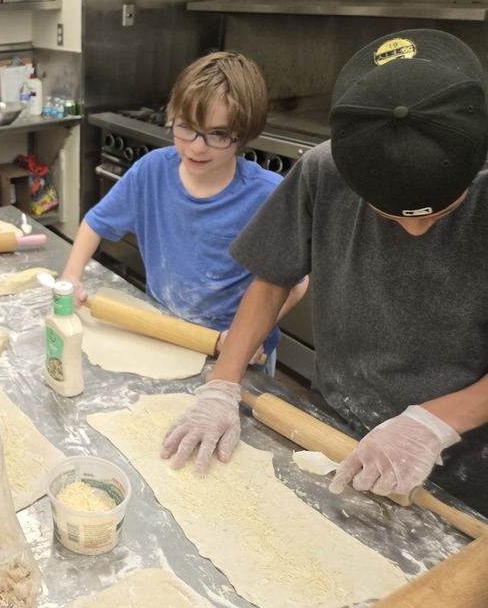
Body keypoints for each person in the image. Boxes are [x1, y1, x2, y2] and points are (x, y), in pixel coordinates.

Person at [161, 29, 488, 518]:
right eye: (391, 213)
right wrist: (223, 386)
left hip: (463, 467)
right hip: (332, 425)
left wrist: (431, 424)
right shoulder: (325, 172)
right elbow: (272, 280)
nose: (416, 229)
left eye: (438, 212)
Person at [60, 51, 308, 376]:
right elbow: (96, 222)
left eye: (217, 134)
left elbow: (297, 283)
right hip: (166, 332)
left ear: (243, 133)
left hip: (236, 351)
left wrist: (247, 337)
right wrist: (71, 275)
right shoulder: (151, 171)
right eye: (186, 127)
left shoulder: (267, 195)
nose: (196, 146)